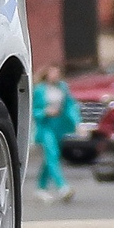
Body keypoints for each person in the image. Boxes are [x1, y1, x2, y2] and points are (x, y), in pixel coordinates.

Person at [31, 65, 75, 203]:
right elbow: (33, 110)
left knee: (50, 158)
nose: (54, 75)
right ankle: (62, 187)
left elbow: (70, 105)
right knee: (52, 153)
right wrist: (45, 112)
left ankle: (40, 187)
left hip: (59, 127)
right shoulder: (40, 90)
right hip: (45, 127)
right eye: (52, 73)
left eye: (57, 72)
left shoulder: (62, 87)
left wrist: (77, 123)